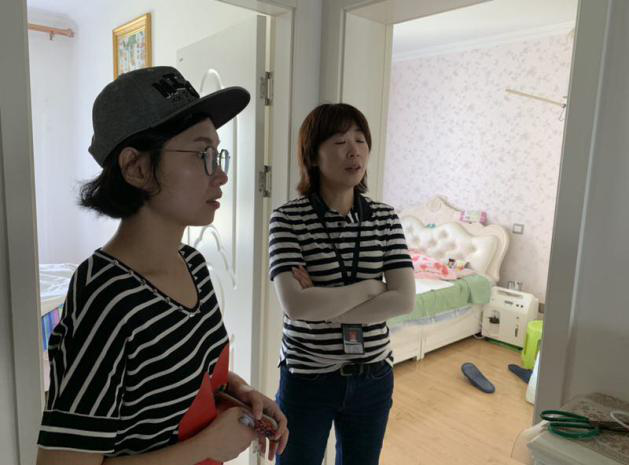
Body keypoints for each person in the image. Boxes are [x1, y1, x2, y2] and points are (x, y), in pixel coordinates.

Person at [36, 66, 288, 465]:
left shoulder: (194, 265)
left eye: (218, 154)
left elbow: (189, 374)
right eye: (202, 155)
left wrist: (238, 392)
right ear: (137, 168)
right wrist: (207, 447)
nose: (221, 175)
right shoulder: (106, 294)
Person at [268, 103, 416, 464]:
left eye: (361, 140)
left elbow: (404, 300)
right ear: (312, 156)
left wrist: (322, 303)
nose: (354, 151)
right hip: (307, 378)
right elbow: (296, 306)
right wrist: (372, 288)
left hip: (373, 377)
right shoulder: (287, 219)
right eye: (339, 141)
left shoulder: (384, 218)